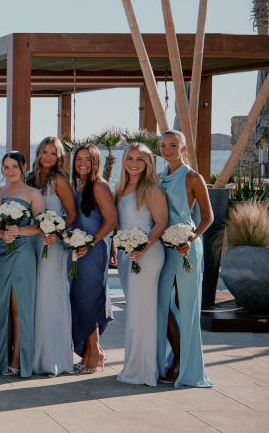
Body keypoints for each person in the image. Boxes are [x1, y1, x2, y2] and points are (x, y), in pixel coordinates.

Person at [156, 130, 213, 388]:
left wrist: (188, 240)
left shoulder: (193, 177)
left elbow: (207, 217)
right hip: (163, 247)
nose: (167, 150)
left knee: (189, 307)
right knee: (161, 304)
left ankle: (186, 368)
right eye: (163, 145)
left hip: (187, 247)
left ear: (183, 147)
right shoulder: (158, 178)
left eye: (172, 145)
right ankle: (174, 357)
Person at [113, 143, 167, 387]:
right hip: (127, 255)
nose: (133, 163)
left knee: (142, 312)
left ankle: (142, 371)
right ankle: (135, 366)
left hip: (147, 254)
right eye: (129, 158)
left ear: (148, 163)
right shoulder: (120, 187)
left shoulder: (152, 188)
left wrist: (142, 248)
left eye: (139, 159)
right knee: (135, 311)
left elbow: (160, 223)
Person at [0, 151, 44, 378]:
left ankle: (18, 358)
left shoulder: (33, 193)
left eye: (14, 166)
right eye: (5, 167)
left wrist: (18, 230)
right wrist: (2, 234)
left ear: (23, 167)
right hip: (0, 250)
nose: (10, 171)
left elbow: (42, 226)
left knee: (17, 304)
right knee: (0, 305)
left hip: (22, 250)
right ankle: (1, 357)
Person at [28, 137, 78, 377]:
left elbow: (71, 214)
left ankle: (53, 359)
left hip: (52, 245)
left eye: (53, 153)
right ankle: (32, 356)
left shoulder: (59, 181)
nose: (47, 157)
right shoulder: (29, 179)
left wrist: (56, 233)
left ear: (59, 157)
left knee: (50, 297)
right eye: (44, 152)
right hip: (30, 242)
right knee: (35, 297)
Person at [68, 144, 117, 374]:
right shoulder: (76, 185)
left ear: (96, 161)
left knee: (89, 300)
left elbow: (112, 221)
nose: (83, 162)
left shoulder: (99, 185)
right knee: (79, 300)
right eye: (79, 158)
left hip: (93, 250)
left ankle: (95, 350)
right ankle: (89, 352)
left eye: (88, 158)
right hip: (77, 250)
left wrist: (90, 243)